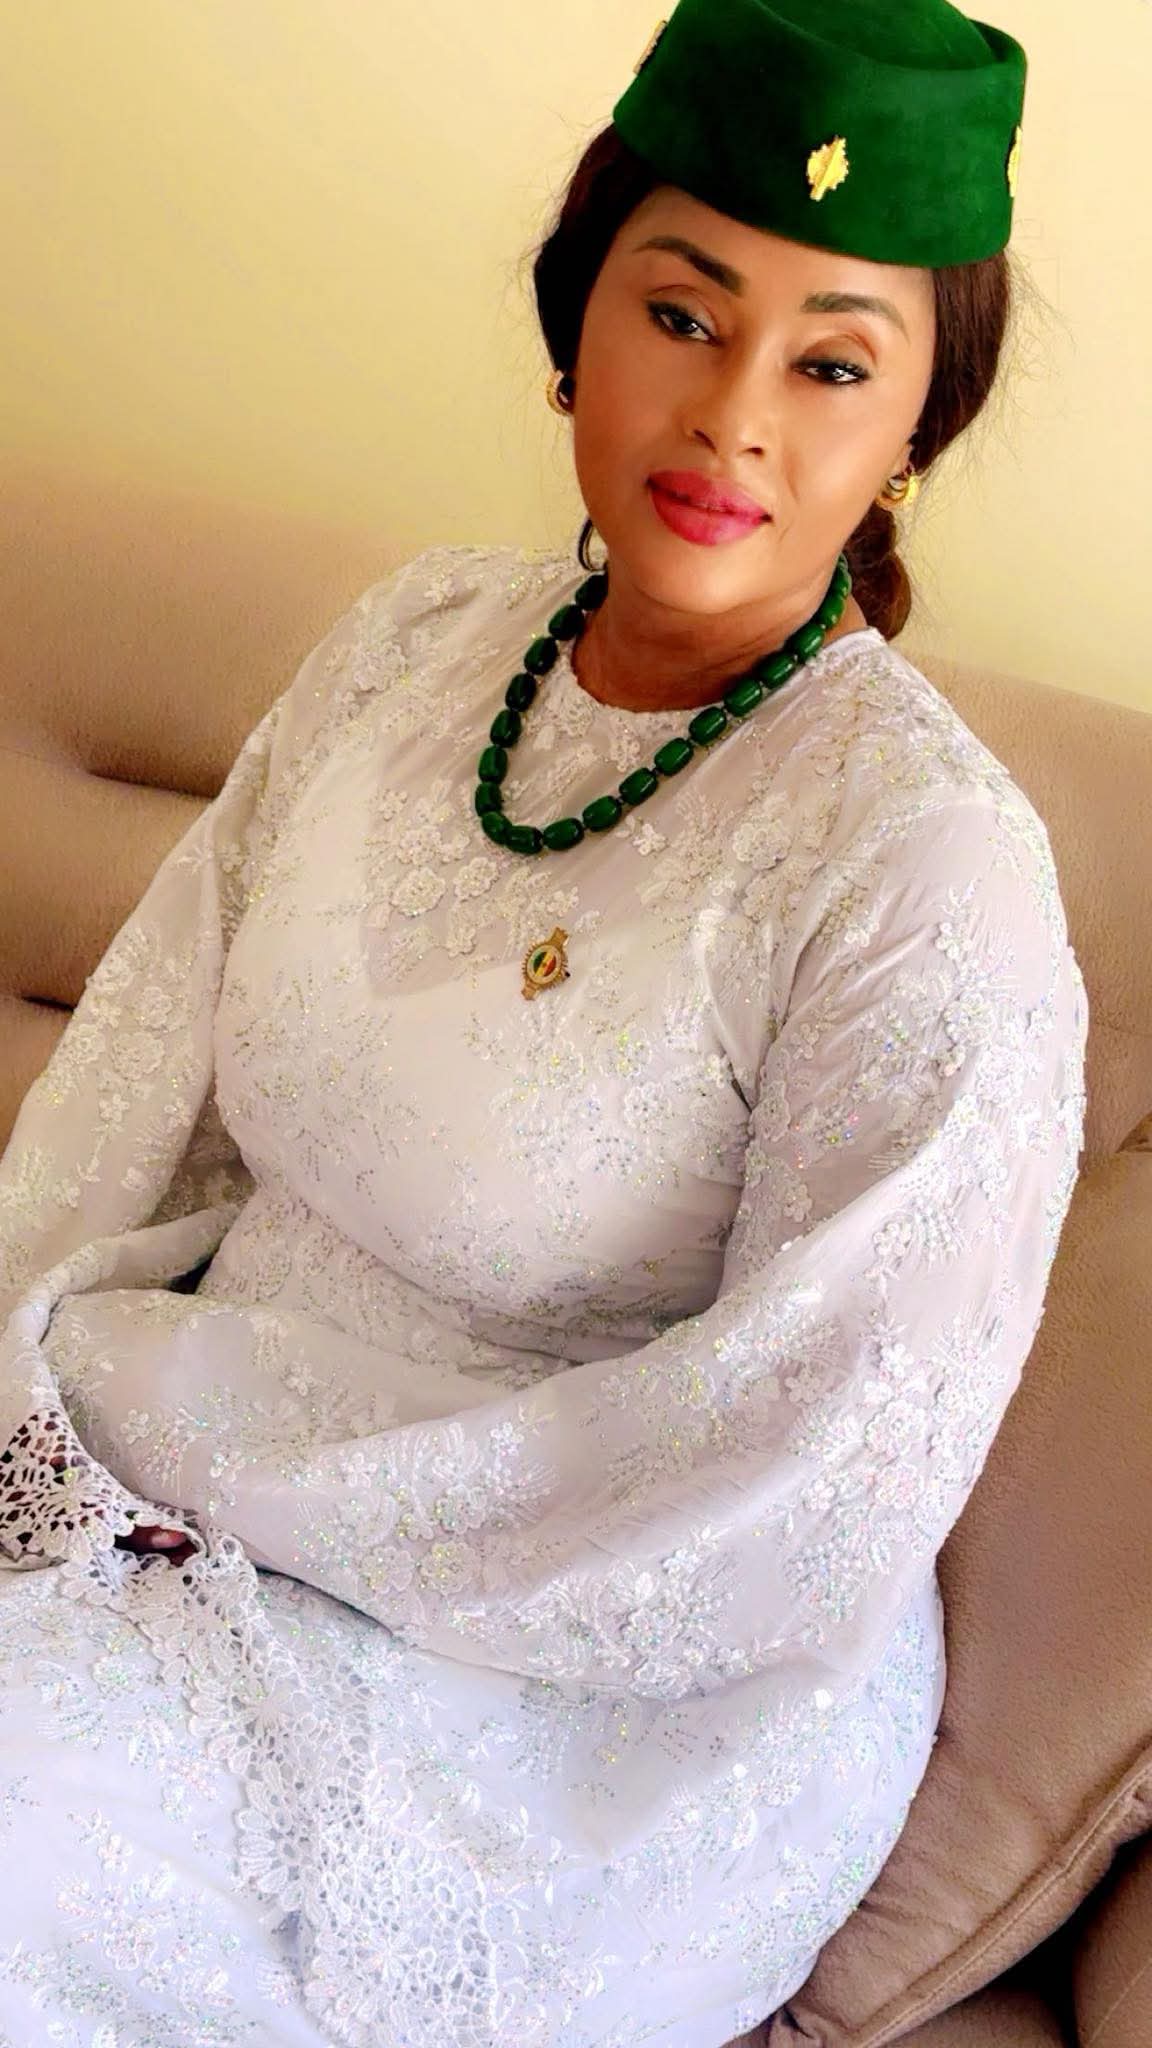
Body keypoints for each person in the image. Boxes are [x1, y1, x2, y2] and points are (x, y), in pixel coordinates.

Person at [0, 1, 1088, 2043]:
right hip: (195, 1452)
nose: (735, 419)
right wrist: (48, 1397)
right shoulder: (413, 644)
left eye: (833, 363)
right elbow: (144, 1086)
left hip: (594, 1690)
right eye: (682, 315)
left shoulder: (920, 865)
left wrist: (222, 1465)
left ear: (915, 433)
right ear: (575, 316)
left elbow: (810, 1485)